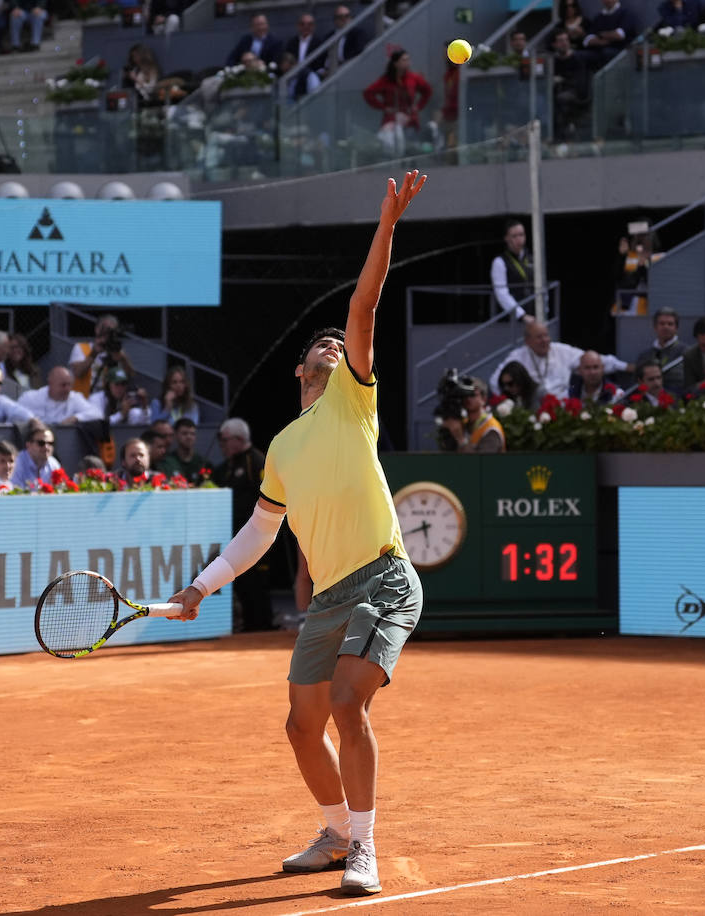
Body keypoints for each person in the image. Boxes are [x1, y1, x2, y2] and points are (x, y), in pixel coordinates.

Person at [165, 172, 427, 898]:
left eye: (344, 346)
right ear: (301, 368)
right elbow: (257, 533)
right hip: (332, 594)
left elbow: (364, 305)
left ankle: (364, 849)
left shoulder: (353, 402)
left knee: (348, 703)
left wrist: (387, 225)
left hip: (383, 578)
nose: (337, 346)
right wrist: (201, 586)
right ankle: (335, 829)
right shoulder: (281, 445)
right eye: (325, 345)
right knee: (300, 725)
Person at [209, 417, 274, 632]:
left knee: (258, 584)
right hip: (237, 536)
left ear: (238, 439)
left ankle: (262, 627)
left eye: (225, 440)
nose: (222, 445)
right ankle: (249, 627)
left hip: (258, 534)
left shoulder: (256, 462)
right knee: (243, 583)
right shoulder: (227, 466)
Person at [489, 319, 627, 398]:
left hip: (562, 409)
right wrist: (507, 400)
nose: (544, 340)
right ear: (527, 340)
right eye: (539, 337)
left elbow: (592, 360)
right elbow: (496, 381)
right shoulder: (517, 356)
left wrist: (626, 367)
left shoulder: (561, 350)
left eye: (546, 336)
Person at [363, 49, 433, 158]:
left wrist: (418, 107)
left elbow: (427, 90)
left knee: (408, 145)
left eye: (408, 60)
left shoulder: (413, 78)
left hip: (409, 120)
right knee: (390, 141)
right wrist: (384, 107)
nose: (407, 63)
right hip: (392, 119)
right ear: (396, 63)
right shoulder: (386, 80)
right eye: (404, 60)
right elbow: (368, 93)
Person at [69, 314, 135, 396]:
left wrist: (123, 359)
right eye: (106, 329)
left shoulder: (116, 352)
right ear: (97, 329)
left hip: (103, 402)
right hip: (82, 400)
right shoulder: (80, 347)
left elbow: (130, 377)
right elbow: (78, 373)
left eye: (112, 331)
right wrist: (94, 353)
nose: (108, 334)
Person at [439, 375, 504, 452]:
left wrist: (461, 439)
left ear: (484, 399)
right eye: (465, 395)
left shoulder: (491, 428)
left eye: (472, 394)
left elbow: (481, 462)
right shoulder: (462, 424)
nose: (468, 398)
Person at [18, 366, 102, 425]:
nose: (67, 389)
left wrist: (76, 418)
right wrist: (32, 420)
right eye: (63, 385)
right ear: (50, 383)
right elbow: (15, 416)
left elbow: (97, 414)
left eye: (69, 385)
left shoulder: (74, 398)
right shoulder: (30, 398)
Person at [633, 307, 689, 392]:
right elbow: (637, 384)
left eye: (670, 324)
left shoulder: (687, 352)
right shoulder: (644, 356)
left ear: (676, 328)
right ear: (655, 327)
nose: (666, 327)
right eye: (662, 323)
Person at [490, 218, 536, 321]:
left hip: (533, 317)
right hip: (511, 321)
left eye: (521, 235)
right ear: (506, 238)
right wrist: (521, 315)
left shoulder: (532, 258)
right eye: (514, 236)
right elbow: (501, 293)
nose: (519, 239)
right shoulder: (499, 262)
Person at [12, 422, 62, 487]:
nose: (46, 447)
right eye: (41, 443)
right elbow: (15, 493)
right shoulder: (16, 463)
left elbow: (60, 490)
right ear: (28, 445)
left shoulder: (53, 464)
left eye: (50, 443)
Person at [325, 5, 368, 75]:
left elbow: (358, 52)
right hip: (330, 70)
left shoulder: (358, 34)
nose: (344, 19)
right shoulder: (329, 36)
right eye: (340, 17)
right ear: (335, 20)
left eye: (346, 16)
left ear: (351, 18)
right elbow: (323, 56)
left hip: (350, 70)